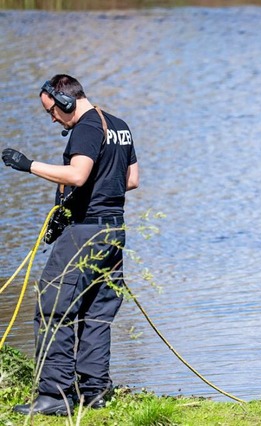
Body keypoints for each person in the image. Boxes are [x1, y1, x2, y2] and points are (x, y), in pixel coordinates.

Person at [2, 74, 139, 416]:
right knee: (96, 313)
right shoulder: (119, 124)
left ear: (65, 102)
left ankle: (54, 396)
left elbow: (78, 175)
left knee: (53, 309)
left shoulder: (87, 128)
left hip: (85, 235)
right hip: (113, 232)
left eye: (52, 111)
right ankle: (95, 392)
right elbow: (131, 180)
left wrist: (28, 165)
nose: (52, 119)